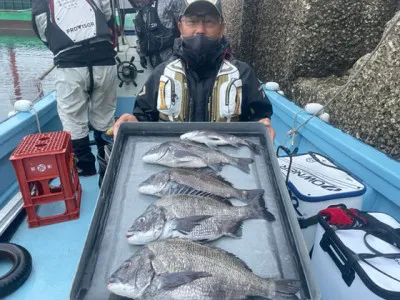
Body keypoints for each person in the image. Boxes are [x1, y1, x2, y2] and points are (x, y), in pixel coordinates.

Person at [114, 0, 275, 140]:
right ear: (180, 27)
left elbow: (260, 115)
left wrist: (263, 125)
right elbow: (143, 116)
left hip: (226, 162)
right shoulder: (161, 73)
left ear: (222, 28)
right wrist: (133, 121)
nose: (200, 30)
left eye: (209, 21)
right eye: (192, 21)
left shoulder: (244, 74)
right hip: (174, 163)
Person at [32, 0, 118, 176]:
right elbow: (108, 14)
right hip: (104, 61)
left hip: (70, 66)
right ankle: (108, 165)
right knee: (105, 116)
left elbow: (42, 28)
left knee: (73, 120)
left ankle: (85, 167)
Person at [128, 0, 185, 68]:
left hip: (172, 57)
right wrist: (141, 54)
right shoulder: (138, 12)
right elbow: (139, 36)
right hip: (151, 59)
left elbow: (184, 27)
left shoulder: (169, 3)